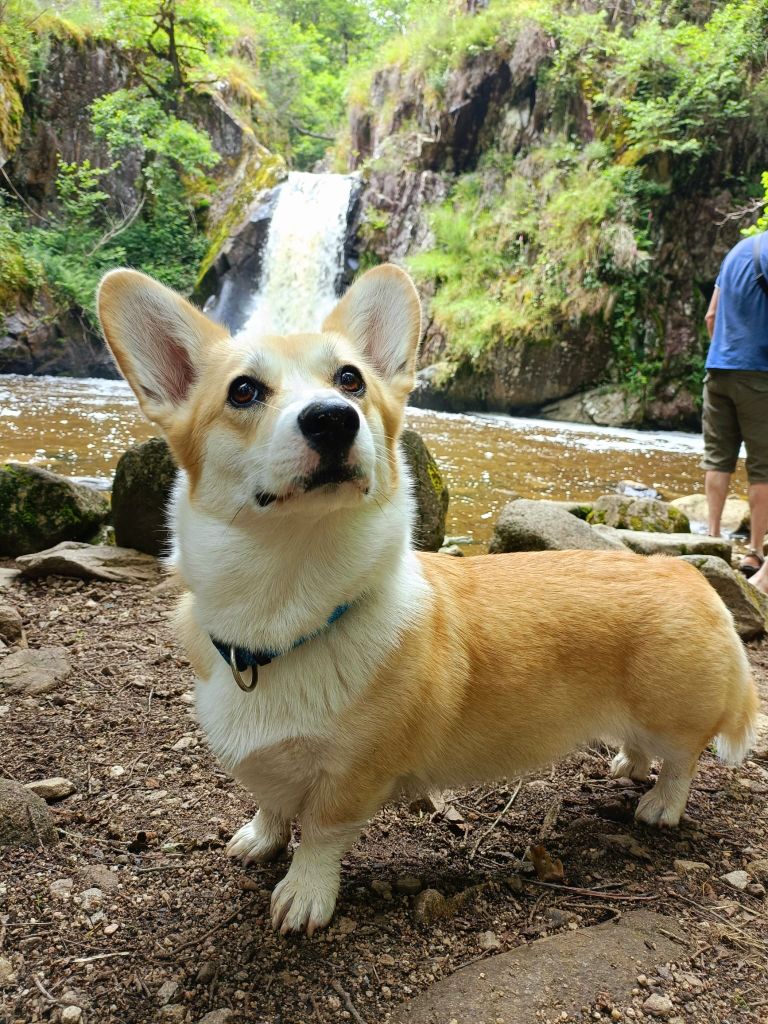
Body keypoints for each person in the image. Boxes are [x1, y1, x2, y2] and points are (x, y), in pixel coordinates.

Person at [702, 229, 768, 579]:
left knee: (718, 458)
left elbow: (711, 316)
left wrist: (724, 351)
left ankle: (711, 541)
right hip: (760, 374)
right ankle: (754, 552)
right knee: (763, 467)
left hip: (718, 369)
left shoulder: (738, 250)